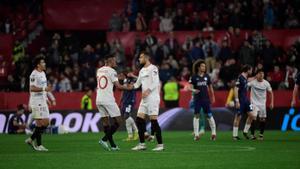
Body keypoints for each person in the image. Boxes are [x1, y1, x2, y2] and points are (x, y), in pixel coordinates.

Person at [129, 51, 164, 151]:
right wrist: (130, 86)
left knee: (153, 121)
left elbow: (156, 82)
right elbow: (137, 84)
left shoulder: (153, 68)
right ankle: (142, 144)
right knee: (139, 119)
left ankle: (160, 145)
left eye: (141, 57)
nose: (139, 59)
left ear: (146, 58)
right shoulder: (141, 70)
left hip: (152, 98)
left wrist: (148, 91)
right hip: (144, 99)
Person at [96, 54, 130, 151]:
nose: (116, 62)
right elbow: (118, 86)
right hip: (108, 99)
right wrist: (128, 87)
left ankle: (113, 146)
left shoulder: (99, 70)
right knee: (119, 121)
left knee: (106, 123)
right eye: (114, 61)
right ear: (109, 61)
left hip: (99, 99)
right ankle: (104, 139)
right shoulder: (112, 71)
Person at [25, 56, 55, 151]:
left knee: (46, 123)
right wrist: (43, 89)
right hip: (36, 101)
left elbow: (44, 87)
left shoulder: (43, 73)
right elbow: (32, 88)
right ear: (38, 65)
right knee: (39, 124)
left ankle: (31, 139)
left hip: (43, 100)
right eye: (43, 63)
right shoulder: (34, 74)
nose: (44, 64)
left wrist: (46, 98)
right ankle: (39, 145)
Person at [188, 60, 217, 141]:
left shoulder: (207, 76)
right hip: (197, 100)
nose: (204, 67)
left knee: (209, 115)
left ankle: (214, 133)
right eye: (202, 66)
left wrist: (213, 97)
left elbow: (211, 88)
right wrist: (194, 91)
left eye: (204, 66)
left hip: (206, 99)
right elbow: (189, 88)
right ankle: (196, 135)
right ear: (198, 67)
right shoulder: (193, 77)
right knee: (196, 116)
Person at [248, 69, 274, 140]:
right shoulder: (253, 82)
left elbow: (271, 93)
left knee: (262, 119)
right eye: (260, 73)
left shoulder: (266, 83)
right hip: (253, 103)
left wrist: (271, 102)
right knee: (253, 117)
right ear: (257, 75)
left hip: (262, 104)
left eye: (262, 73)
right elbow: (246, 83)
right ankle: (252, 135)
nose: (261, 75)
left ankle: (261, 135)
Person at [233, 65, 256, 140]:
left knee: (252, 116)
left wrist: (257, 76)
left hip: (246, 100)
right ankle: (235, 135)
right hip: (241, 100)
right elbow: (235, 89)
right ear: (248, 70)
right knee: (238, 117)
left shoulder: (245, 78)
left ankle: (245, 132)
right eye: (251, 70)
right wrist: (237, 101)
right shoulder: (240, 78)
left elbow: (249, 79)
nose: (251, 71)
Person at [119, 71, 139, 141]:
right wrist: (120, 101)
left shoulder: (131, 80)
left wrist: (133, 75)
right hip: (125, 101)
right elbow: (123, 92)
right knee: (126, 117)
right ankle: (130, 135)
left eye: (121, 75)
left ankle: (136, 132)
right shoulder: (124, 82)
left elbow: (140, 80)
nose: (120, 76)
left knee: (126, 116)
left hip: (130, 101)